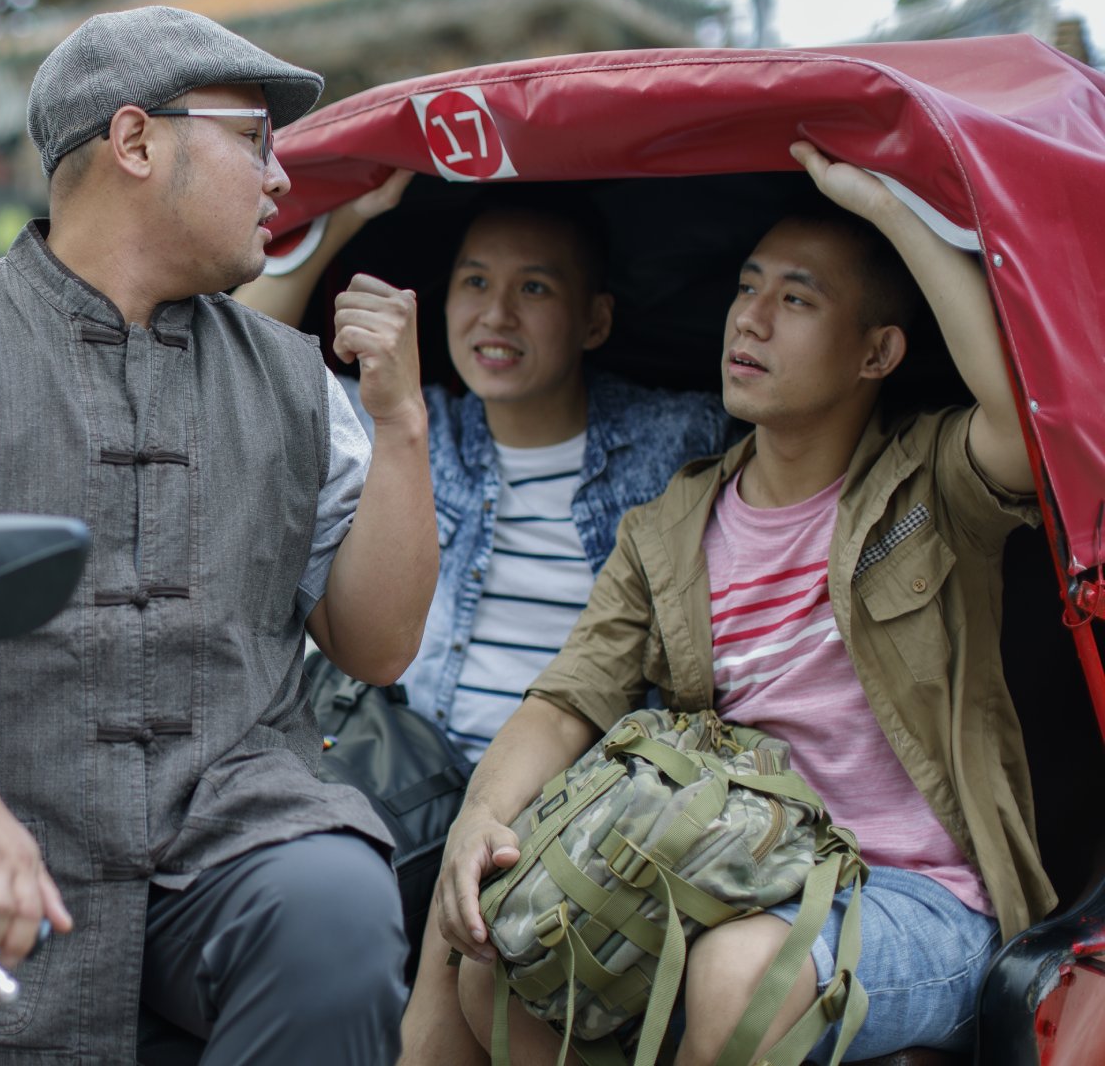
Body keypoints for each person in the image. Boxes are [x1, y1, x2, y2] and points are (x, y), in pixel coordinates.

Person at [0, 6, 438, 1066]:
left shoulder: (292, 378)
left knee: (334, 904)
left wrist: (402, 427)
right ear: (135, 142)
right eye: (253, 139)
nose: (282, 177)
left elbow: (377, 645)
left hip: (236, 850)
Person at [424, 142, 1051, 1064]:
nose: (749, 321)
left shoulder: (927, 489)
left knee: (739, 971)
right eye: (746, 289)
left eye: (795, 299)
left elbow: (1021, 417)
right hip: (725, 873)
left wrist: (891, 212)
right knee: (498, 957)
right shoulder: (670, 527)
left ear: (877, 351)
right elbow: (568, 701)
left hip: (916, 897)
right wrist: (479, 823)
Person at [239, 177, 733, 759]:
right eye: (475, 281)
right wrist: (345, 213)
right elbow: (246, 366)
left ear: (596, 321)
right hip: (410, 788)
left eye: (535, 288)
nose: (497, 315)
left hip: (593, 812)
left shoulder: (681, 438)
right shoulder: (410, 429)